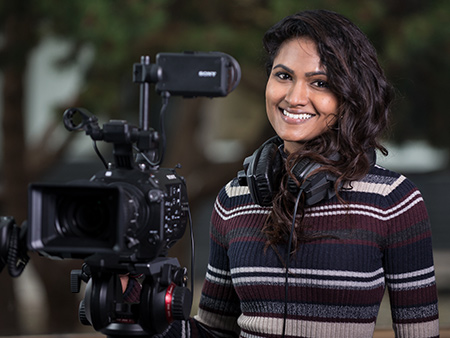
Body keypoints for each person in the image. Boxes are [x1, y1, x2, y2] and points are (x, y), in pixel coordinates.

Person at [125, 9, 440, 337]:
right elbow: (215, 332)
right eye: (283, 76)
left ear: (350, 95)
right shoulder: (235, 198)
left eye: (320, 82)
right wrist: (132, 298)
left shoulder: (394, 201)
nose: (294, 98)